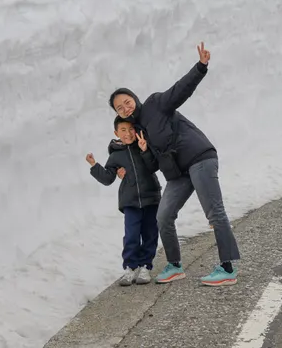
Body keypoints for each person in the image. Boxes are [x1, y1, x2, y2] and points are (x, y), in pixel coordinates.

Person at [108, 42, 240, 286]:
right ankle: (175, 265)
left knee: (214, 212)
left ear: (134, 99)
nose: (125, 107)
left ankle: (228, 267)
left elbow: (181, 89)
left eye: (127, 101)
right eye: (120, 108)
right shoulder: (137, 132)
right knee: (163, 216)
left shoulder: (156, 104)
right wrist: (125, 165)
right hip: (178, 173)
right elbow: (149, 165)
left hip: (199, 158)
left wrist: (200, 67)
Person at [86, 118, 161, 286]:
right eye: (123, 130)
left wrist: (145, 150)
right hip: (130, 201)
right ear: (116, 133)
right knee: (131, 235)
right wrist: (93, 165)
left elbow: (153, 166)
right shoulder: (115, 155)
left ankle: (145, 266)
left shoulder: (144, 145)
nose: (128, 134)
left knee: (150, 234)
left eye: (131, 129)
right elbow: (107, 178)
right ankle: (130, 267)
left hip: (151, 197)